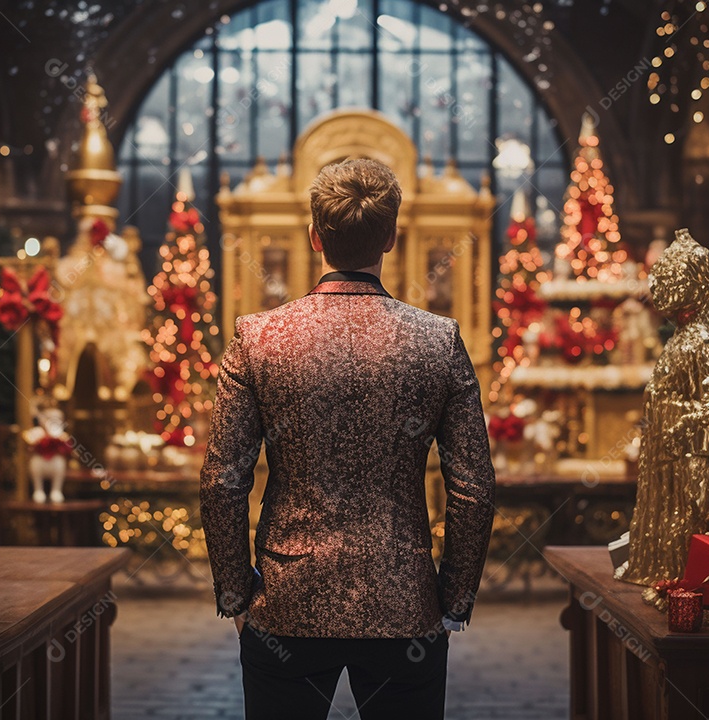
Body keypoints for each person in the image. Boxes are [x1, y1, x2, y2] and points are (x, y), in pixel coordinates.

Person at [200, 158, 495, 719]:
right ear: (391, 237)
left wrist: (237, 595)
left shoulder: (259, 337)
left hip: (288, 602)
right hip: (402, 604)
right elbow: (473, 487)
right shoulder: (437, 340)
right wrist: (453, 600)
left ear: (315, 235)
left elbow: (222, 481)